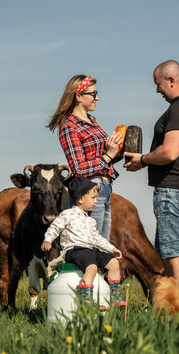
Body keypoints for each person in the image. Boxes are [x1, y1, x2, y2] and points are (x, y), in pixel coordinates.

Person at [124, 60, 179, 314]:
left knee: (175, 252)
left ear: (171, 80)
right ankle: (174, 308)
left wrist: (143, 159)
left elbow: (171, 151)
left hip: (175, 187)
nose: (157, 90)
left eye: (158, 84)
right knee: (167, 249)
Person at [47, 74, 122, 240]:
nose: (97, 98)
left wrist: (117, 151)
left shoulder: (92, 122)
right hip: (88, 189)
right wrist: (108, 156)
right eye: (93, 94)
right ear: (79, 96)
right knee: (90, 245)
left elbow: (102, 158)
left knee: (101, 245)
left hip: (104, 188)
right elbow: (79, 168)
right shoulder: (70, 127)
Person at [41, 176, 126, 306]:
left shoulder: (90, 220)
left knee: (114, 263)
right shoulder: (67, 214)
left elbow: (97, 239)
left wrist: (112, 249)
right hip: (75, 250)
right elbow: (54, 227)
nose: (96, 201)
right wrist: (48, 240)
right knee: (91, 267)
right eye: (93, 198)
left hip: (91, 250)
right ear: (81, 199)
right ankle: (86, 299)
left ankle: (114, 296)